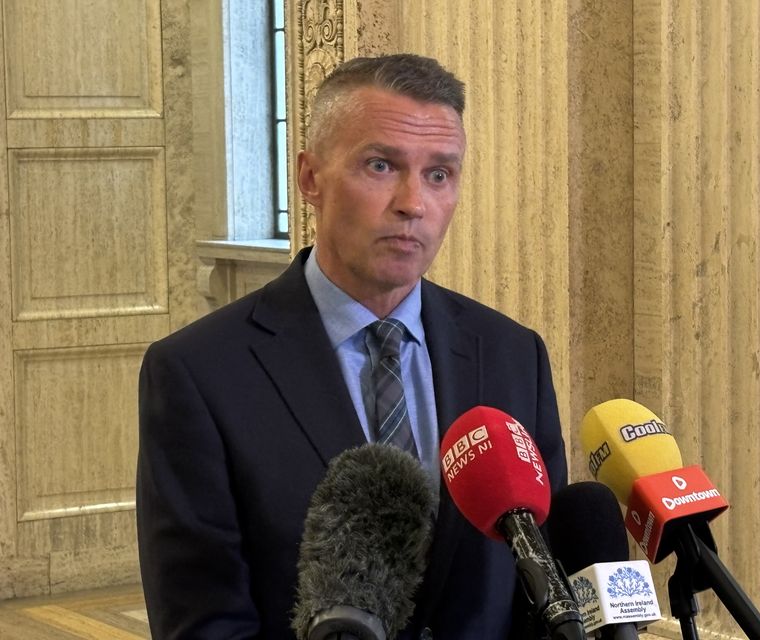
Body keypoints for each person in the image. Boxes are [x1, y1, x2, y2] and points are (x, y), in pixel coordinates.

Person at [136, 53, 567, 640]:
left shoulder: (513, 354)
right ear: (310, 177)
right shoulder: (199, 373)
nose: (413, 203)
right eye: (381, 165)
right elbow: (203, 622)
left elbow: (544, 582)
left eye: (439, 174)